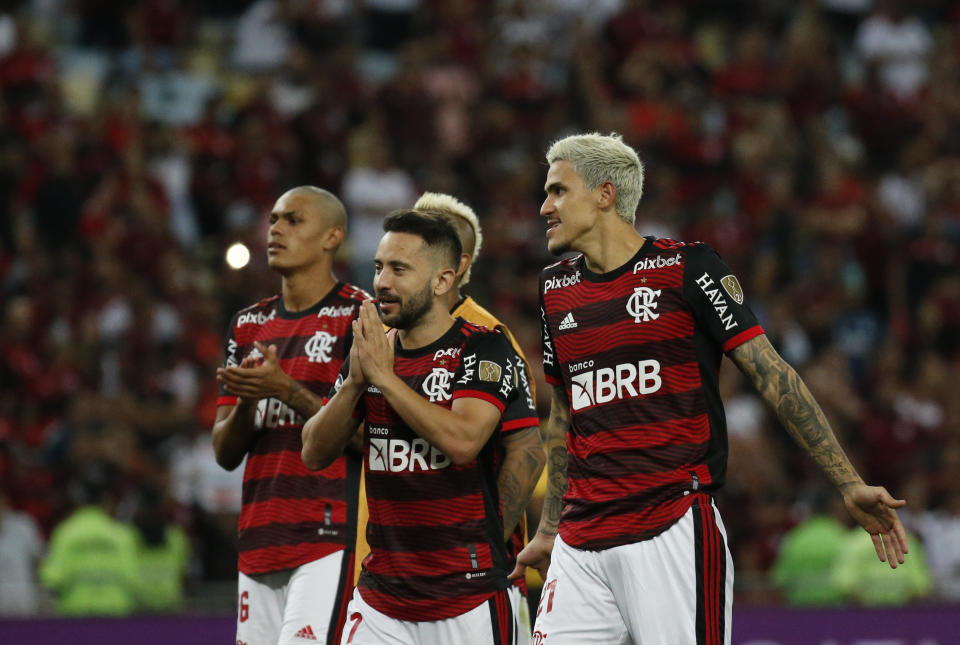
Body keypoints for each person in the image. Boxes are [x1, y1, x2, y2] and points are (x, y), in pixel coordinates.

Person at [510, 132, 909, 644]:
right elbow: (565, 413)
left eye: (558, 191)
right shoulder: (556, 289)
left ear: (605, 195)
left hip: (670, 527)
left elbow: (770, 372)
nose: (545, 207)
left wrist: (848, 481)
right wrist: (548, 529)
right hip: (580, 542)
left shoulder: (687, 269)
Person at [302, 210, 539, 645]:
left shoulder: (483, 346)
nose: (382, 283)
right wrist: (356, 380)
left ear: (443, 280)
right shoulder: (372, 352)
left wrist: (384, 379)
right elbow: (314, 452)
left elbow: (464, 440)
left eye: (399, 269)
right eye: (378, 267)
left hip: (467, 598)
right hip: (381, 601)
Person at [214, 186, 369, 645]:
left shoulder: (360, 316)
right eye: (274, 220)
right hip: (259, 536)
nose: (276, 229)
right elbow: (224, 453)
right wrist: (248, 399)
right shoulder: (248, 324)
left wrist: (284, 389)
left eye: (293, 220)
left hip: (328, 536)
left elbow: (373, 438)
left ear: (331, 237)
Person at [415, 191, 545, 644]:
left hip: (474, 583)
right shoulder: (383, 332)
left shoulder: (490, 338)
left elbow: (527, 451)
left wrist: (485, 549)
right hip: (392, 575)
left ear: (457, 263)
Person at [39, 461, 140, 616]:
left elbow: (51, 578)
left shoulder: (66, 532)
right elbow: (134, 580)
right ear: (107, 499)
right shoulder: (121, 535)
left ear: (77, 498)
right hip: (116, 620)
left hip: (75, 621)